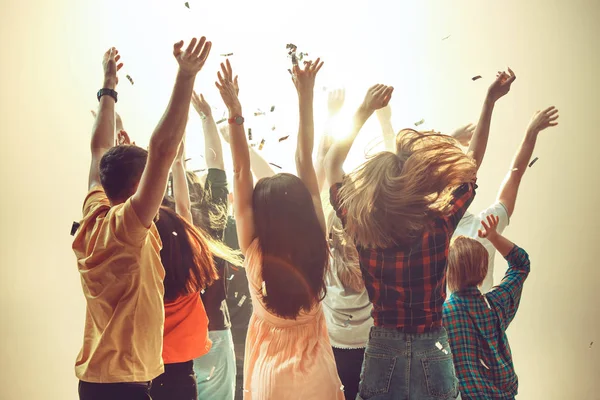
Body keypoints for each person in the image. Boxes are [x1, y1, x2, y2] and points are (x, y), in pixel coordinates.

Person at [325, 69, 516, 400]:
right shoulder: (437, 227)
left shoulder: (363, 232)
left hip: (382, 348)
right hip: (433, 347)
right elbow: (472, 164)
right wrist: (488, 101)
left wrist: (364, 110)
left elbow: (332, 165)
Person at [72, 37, 212, 400]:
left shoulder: (93, 215)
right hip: (125, 387)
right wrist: (185, 76)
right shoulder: (127, 228)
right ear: (138, 185)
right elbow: (164, 150)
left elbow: (99, 149)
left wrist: (108, 86)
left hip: (94, 382)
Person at [215, 58, 344, 399]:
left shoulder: (253, 251)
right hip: (319, 377)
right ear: (303, 209)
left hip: (270, 380)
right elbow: (305, 160)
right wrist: (306, 94)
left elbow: (242, 172)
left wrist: (235, 111)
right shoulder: (318, 241)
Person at [453, 106, 559, 292]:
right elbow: (514, 176)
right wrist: (530, 133)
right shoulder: (484, 229)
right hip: (485, 315)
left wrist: (451, 139)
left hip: (444, 318)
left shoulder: (434, 228)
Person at [443, 215, 531, 400]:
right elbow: (521, 265)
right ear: (483, 272)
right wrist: (494, 237)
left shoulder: (441, 316)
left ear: (447, 273)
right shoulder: (497, 303)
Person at [188, 90, 238, 400]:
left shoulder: (161, 225)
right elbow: (217, 169)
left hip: (172, 336)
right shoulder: (214, 222)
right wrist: (207, 117)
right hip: (216, 332)